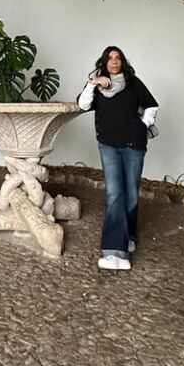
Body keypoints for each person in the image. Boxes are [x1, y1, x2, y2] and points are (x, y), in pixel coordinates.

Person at [77, 46, 158, 271]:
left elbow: (152, 106)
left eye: (118, 58)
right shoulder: (98, 86)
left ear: (122, 62)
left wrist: (142, 126)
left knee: (131, 193)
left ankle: (128, 235)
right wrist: (92, 83)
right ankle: (114, 251)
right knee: (114, 193)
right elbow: (82, 105)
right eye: (110, 58)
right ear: (104, 63)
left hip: (134, 146)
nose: (114, 61)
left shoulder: (133, 84)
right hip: (108, 146)